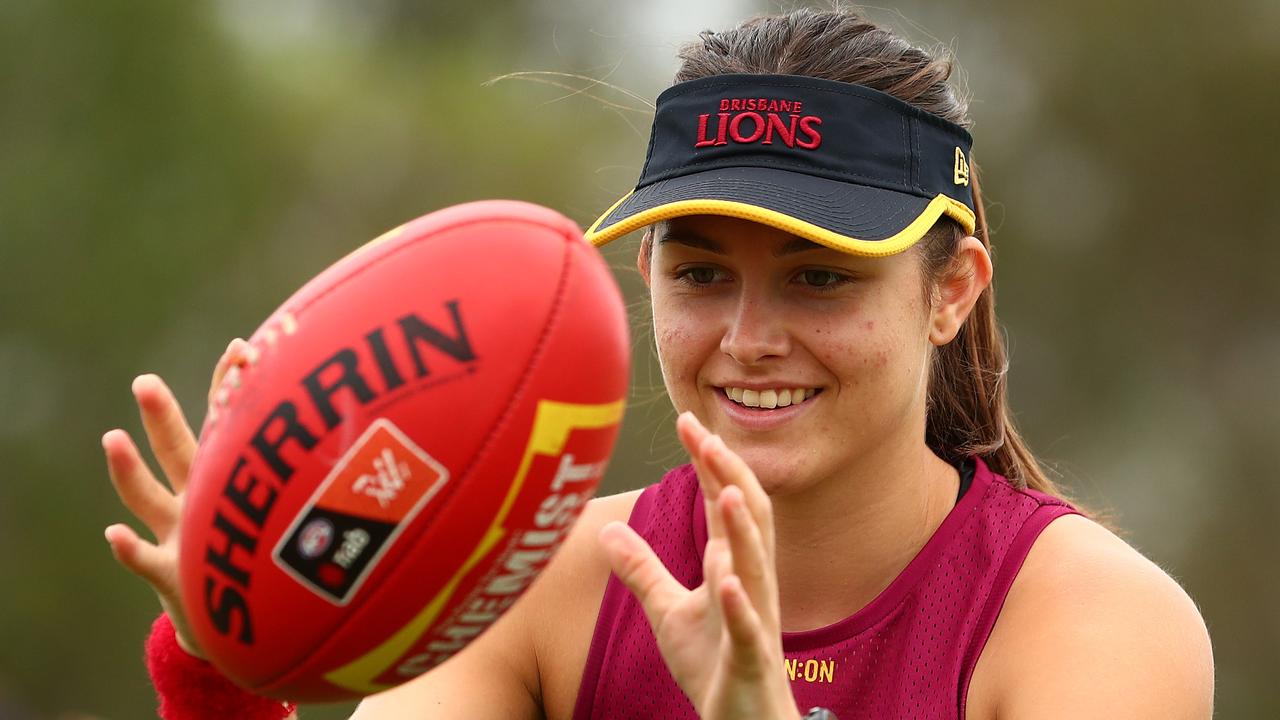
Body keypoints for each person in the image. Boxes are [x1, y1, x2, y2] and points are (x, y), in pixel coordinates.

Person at [102, 8, 1214, 720]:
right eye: (697, 273)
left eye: (816, 276)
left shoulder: (1089, 620)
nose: (746, 338)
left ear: (950, 292)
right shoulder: (533, 580)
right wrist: (228, 663)